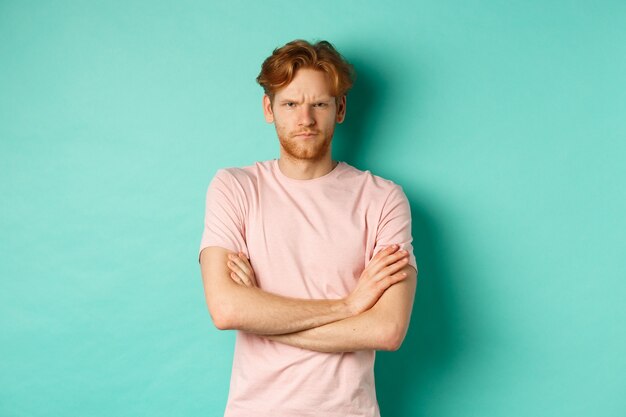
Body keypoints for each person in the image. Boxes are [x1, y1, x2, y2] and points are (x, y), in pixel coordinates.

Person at [198, 39, 418, 417]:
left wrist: (262, 318)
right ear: (269, 109)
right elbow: (226, 309)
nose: (305, 119)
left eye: (319, 104)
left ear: (340, 108)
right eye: (290, 104)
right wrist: (350, 306)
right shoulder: (234, 188)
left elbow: (387, 330)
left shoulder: (383, 199)